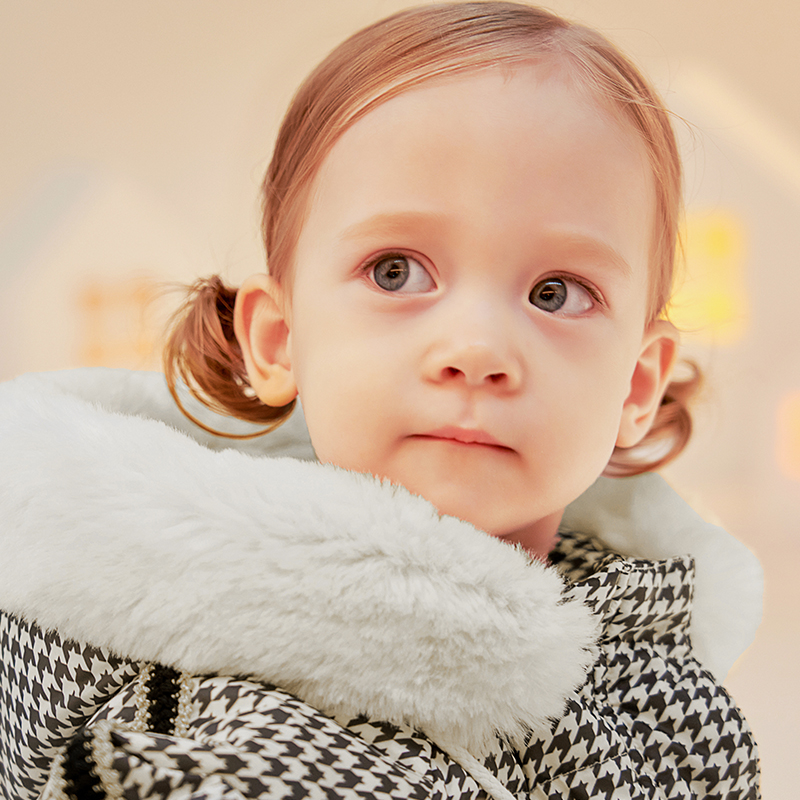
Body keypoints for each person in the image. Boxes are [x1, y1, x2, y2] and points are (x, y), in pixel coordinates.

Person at [0, 3, 762, 798]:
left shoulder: (657, 687)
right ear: (278, 341)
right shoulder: (199, 702)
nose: (477, 351)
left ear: (637, 385)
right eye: (396, 271)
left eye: (556, 291)